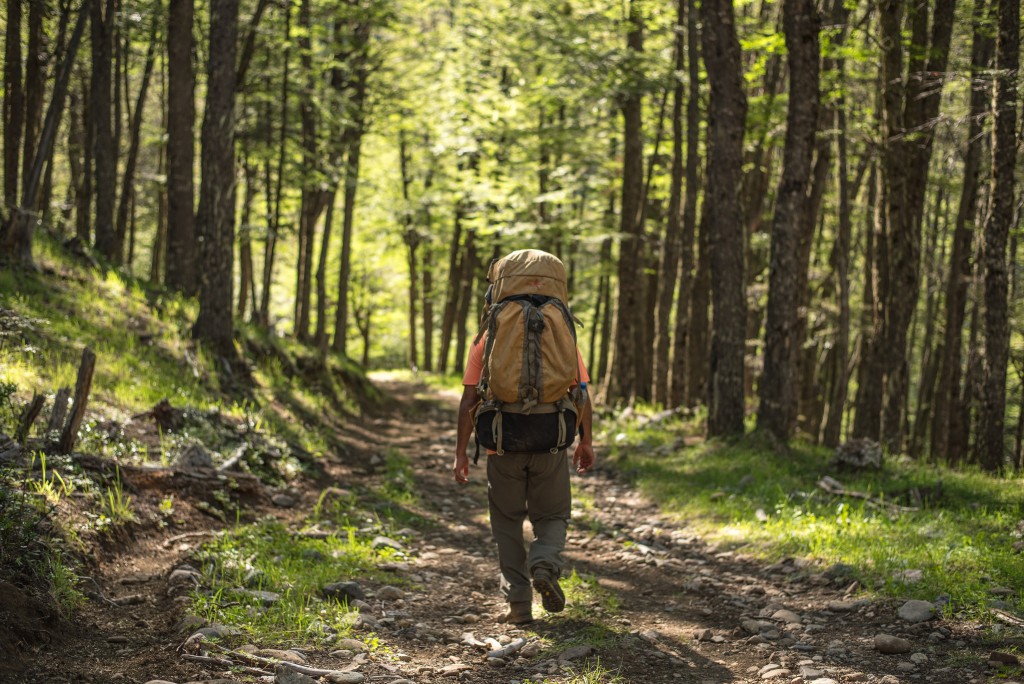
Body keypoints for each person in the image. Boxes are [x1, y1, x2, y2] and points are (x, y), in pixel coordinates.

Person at [453, 305, 596, 625]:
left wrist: (461, 452)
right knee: (553, 514)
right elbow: (582, 393)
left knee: (506, 523)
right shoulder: (562, 336)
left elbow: (469, 400)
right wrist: (586, 440)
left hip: (503, 444)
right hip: (550, 441)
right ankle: (544, 565)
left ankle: (519, 604)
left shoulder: (487, 337)